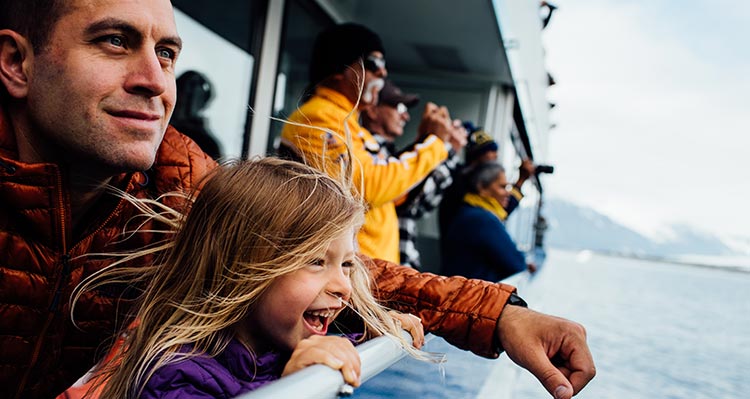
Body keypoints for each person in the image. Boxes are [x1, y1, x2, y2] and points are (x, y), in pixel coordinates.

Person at [0, 4, 593, 398]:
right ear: (16, 63)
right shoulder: (320, 124)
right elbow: (371, 196)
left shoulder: (179, 177)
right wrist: (435, 149)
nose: (156, 80)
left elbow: (322, 262)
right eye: (112, 41)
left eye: (168, 54)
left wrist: (498, 314)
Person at [61, 158, 429, 398]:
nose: (343, 285)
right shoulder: (174, 377)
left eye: (347, 264)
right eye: (316, 261)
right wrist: (289, 387)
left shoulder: (274, 342)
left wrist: (372, 332)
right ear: (240, 270)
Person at [279, 23, 465, 265]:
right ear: (340, 68)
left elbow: (395, 192)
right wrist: (434, 144)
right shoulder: (318, 117)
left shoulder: (348, 122)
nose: (383, 73)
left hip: (370, 270)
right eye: (374, 64)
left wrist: (424, 141)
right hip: (350, 273)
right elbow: (367, 189)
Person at [360, 79, 463, 269]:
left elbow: (417, 200)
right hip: (374, 266)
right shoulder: (365, 151)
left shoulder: (385, 154)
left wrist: (429, 141)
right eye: (399, 107)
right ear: (372, 110)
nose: (406, 116)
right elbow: (410, 202)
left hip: (391, 262)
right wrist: (442, 146)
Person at [438, 125, 534, 240]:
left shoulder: (463, 177)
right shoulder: (461, 181)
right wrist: (521, 180)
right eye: (492, 151)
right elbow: (501, 208)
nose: (496, 155)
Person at [443, 162, 534, 282]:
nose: (508, 193)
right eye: (502, 187)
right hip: (471, 297)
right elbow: (516, 264)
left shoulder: (467, 211)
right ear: (482, 187)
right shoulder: (483, 219)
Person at [170, 70, 222, 160]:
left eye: (192, 98)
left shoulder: (208, 144)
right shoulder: (159, 129)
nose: (186, 102)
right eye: (183, 94)